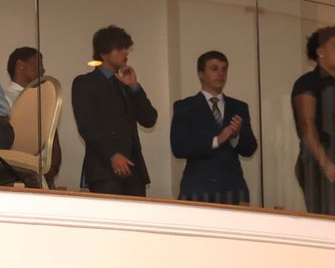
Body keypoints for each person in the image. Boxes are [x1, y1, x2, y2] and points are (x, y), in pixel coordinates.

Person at [71, 25, 157, 196]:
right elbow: (87, 126)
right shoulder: (85, 82)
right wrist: (112, 155)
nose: (125, 52)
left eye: (126, 48)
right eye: (119, 48)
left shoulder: (125, 83)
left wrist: (134, 87)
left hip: (134, 169)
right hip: (104, 169)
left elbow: (149, 119)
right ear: (103, 53)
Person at [170, 50, 256, 205]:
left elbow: (250, 148)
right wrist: (216, 140)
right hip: (197, 188)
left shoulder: (239, 107)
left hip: (233, 189)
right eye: (214, 68)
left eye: (224, 69)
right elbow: (179, 148)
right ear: (201, 74)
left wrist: (236, 136)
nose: (221, 74)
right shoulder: (185, 106)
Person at [291, 27, 335, 216]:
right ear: (320, 51)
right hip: (317, 160)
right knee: (325, 220)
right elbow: (306, 125)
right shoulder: (307, 82)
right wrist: (325, 162)